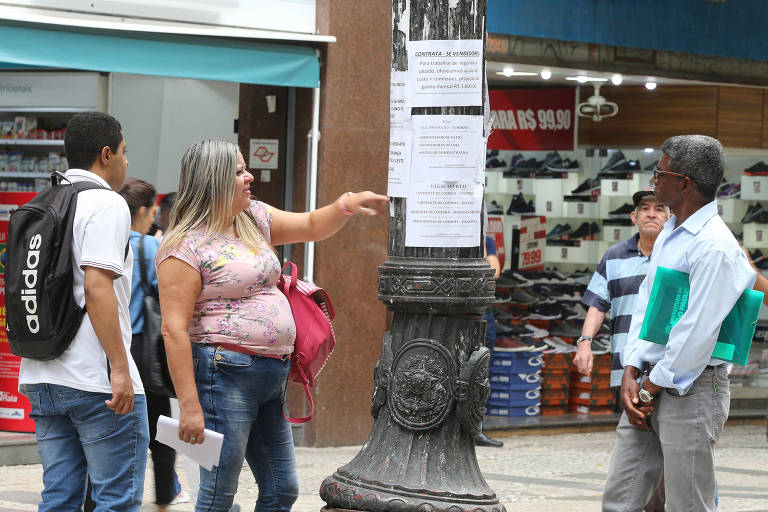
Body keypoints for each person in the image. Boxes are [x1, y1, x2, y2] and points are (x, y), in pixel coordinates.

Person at [156, 138, 388, 511]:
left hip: (271, 374)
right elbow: (173, 330)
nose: (249, 177)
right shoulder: (183, 246)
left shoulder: (253, 217)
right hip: (223, 375)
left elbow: (311, 225)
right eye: (238, 172)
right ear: (214, 180)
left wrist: (345, 204)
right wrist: (190, 407)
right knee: (219, 493)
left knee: (282, 489)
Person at [602, 135, 757, 512]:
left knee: (686, 504)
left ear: (684, 183)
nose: (653, 180)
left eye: (660, 173)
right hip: (648, 379)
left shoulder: (714, 245)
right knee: (620, 500)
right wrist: (632, 366)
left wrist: (648, 387)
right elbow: (647, 302)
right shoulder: (671, 232)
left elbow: (697, 333)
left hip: (692, 388)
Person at [18, 111, 149, 511]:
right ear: (106, 155)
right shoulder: (107, 204)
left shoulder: (41, 201)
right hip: (95, 381)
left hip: (41, 375)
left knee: (59, 498)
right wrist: (120, 368)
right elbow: (96, 287)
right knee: (116, 501)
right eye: (124, 151)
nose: (127, 161)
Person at [119, 178, 183, 510]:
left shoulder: (107, 243)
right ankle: (162, 502)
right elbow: (169, 292)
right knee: (161, 431)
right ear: (143, 211)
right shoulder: (148, 247)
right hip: (144, 353)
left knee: (112, 431)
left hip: (110, 349)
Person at [574, 190, 669, 391]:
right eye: (645, 208)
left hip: (665, 368)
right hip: (624, 366)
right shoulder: (614, 255)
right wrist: (585, 342)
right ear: (634, 217)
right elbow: (598, 304)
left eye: (659, 209)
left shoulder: (676, 256)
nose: (651, 214)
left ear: (669, 218)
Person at [476, 235, 503, 448]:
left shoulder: (487, 240)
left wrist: (481, 246)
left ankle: (477, 427)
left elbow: (494, 272)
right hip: (463, 312)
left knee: (483, 374)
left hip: (485, 313)